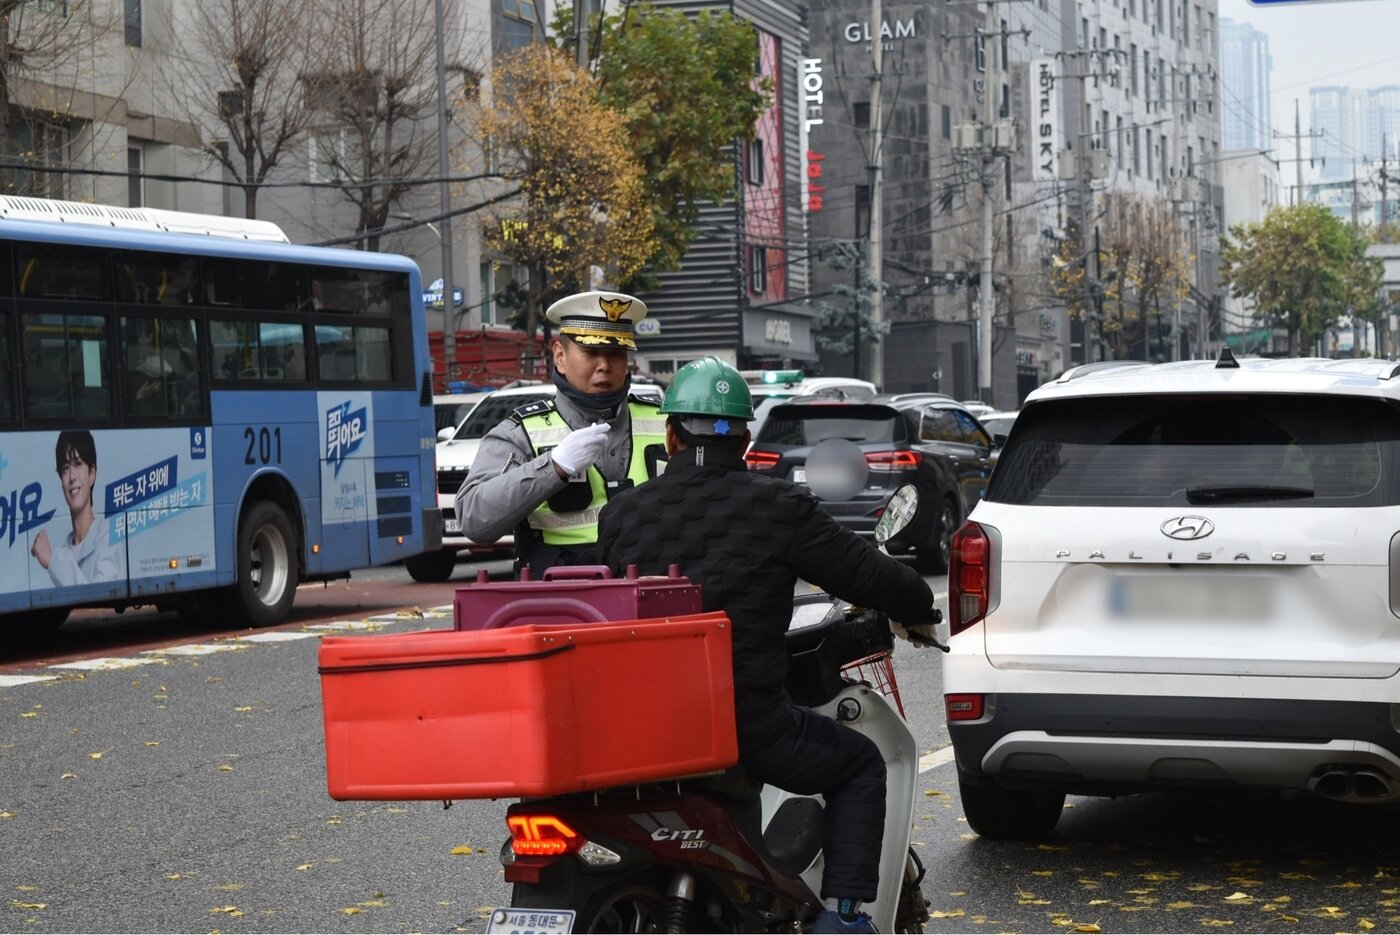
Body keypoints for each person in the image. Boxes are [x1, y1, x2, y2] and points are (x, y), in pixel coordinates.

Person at [597, 357, 939, 935]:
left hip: (644, 732)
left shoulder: (621, 513)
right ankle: (844, 920)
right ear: (745, 441)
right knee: (859, 764)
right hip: (746, 727)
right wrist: (919, 607)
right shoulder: (779, 507)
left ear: (671, 435)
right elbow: (867, 575)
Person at [455, 290, 667, 572]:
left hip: (650, 587)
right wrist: (552, 468)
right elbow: (473, 519)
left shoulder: (665, 421)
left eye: (616, 353)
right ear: (560, 356)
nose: (604, 366)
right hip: (561, 592)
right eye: (591, 352)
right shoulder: (521, 433)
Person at [31, 430, 126, 586]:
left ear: (92, 474)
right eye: (65, 468)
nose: (71, 477)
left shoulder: (108, 534)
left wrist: (52, 562)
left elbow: (99, 594)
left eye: (78, 464)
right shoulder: (64, 549)